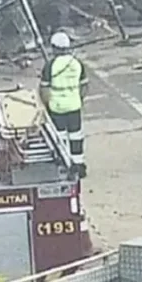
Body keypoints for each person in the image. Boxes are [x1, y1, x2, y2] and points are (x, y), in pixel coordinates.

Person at [39, 31, 88, 178]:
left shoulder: (50, 65)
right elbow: (84, 86)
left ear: (54, 48)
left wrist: (46, 105)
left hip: (57, 107)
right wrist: (77, 99)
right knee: (76, 136)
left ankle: (64, 165)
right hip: (74, 106)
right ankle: (79, 165)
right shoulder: (77, 64)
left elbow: (44, 89)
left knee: (60, 138)